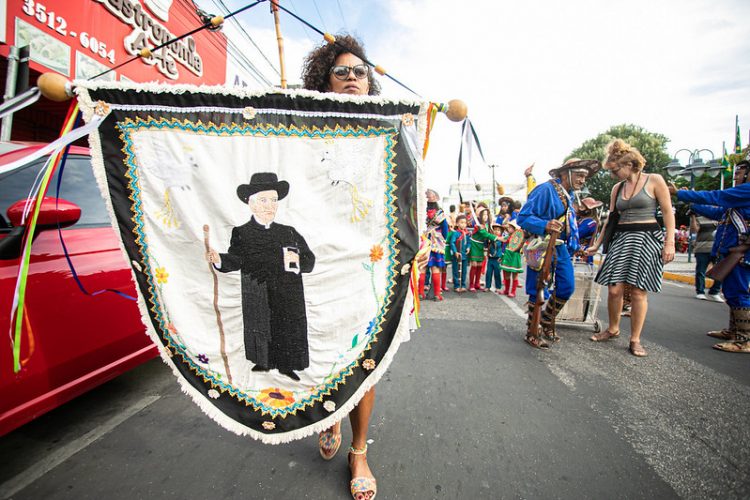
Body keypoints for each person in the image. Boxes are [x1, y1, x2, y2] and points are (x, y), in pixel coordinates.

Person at [300, 33, 393, 500]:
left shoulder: (389, 132)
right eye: (343, 71)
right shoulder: (301, 128)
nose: (354, 77)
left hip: (369, 264)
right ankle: (330, 413)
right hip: (317, 263)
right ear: (325, 80)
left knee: (366, 358)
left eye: (361, 71)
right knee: (323, 350)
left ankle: (358, 450)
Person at [206, 173, 315, 381]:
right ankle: (263, 362)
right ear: (251, 203)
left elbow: (310, 260)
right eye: (263, 200)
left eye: (273, 200)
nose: (270, 206)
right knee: (260, 325)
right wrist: (219, 258)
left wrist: (298, 259)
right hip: (258, 292)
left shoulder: (289, 232)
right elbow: (235, 259)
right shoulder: (242, 232)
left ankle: (288, 366)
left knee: (288, 328)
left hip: (288, 294)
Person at [586, 139, 675, 357]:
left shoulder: (654, 180)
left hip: (647, 237)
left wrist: (669, 242)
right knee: (614, 288)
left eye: (615, 170)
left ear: (629, 165)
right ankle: (613, 328)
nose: (612, 175)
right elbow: (611, 218)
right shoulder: (617, 188)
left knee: (638, 291)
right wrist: (597, 244)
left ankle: (635, 339)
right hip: (622, 237)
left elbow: (667, 212)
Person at [669, 159, 750, 353]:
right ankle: (734, 331)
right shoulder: (738, 199)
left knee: (738, 292)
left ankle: (744, 339)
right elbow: (718, 213)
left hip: (739, 253)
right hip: (731, 251)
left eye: (739, 173)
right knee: (731, 292)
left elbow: (716, 196)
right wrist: (693, 203)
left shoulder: (746, 191)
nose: (735, 177)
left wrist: (679, 193)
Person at [518, 158, 600, 349]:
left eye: (584, 177)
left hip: (561, 246)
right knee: (537, 289)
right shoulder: (545, 190)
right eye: (579, 175)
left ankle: (546, 320)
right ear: (565, 174)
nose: (582, 180)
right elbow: (523, 217)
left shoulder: (570, 195)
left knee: (567, 286)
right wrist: (544, 224)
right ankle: (533, 330)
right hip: (541, 245)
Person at [690, 212, 723, 301]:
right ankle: (700, 292)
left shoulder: (720, 216)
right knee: (701, 271)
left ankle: (714, 291)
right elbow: (694, 230)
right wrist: (693, 217)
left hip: (718, 249)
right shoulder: (699, 217)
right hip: (702, 248)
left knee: (722, 271)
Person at [424, 189, 449, 301]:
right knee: (436, 267)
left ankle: (420, 292)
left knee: (422, 267)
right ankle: (437, 294)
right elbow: (445, 230)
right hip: (436, 242)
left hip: (423, 240)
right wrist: (443, 239)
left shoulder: (421, 212)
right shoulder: (440, 213)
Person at [468, 207, 497, 291]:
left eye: (486, 214)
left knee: (480, 265)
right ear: (480, 215)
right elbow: (485, 234)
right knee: (474, 264)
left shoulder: (487, 225)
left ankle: (477, 283)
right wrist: (497, 238)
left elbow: (488, 235)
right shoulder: (478, 225)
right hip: (474, 244)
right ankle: (471, 284)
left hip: (481, 246)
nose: (485, 216)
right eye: (483, 214)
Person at [499, 220, 524, 297]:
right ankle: (506, 290)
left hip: (515, 257)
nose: (508, 229)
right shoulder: (508, 236)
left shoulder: (519, 238)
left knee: (514, 275)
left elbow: (520, 247)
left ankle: (513, 292)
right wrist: (493, 236)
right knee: (506, 275)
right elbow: (503, 239)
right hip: (507, 256)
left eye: (510, 227)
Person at [449, 214, 470, 292]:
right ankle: (456, 285)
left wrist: (468, 247)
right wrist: (455, 252)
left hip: (464, 255)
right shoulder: (455, 233)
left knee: (464, 271)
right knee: (456, 270)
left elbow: (468, 242)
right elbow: (452, 243)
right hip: (457, 256)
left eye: (465, 223)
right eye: (461, 222)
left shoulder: (467, 233)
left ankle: (463, 285)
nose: (463, 224)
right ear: (457, 224)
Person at [485, 223, 504, 291]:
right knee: (488, 273)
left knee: (497, 273)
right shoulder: (490, 238)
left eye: (498, 230)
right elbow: (486, 246)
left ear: (501, 232)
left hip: (498, 259)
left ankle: (498, 287)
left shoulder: (502, 240)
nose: (496, 231)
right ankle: (487, 286)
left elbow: (503, 250)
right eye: (495, 230)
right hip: (490, 259)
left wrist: (502, 257)